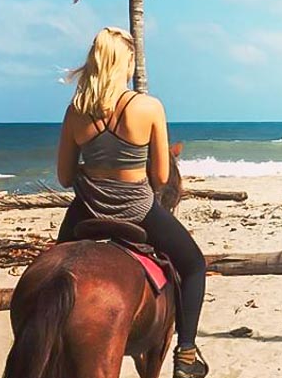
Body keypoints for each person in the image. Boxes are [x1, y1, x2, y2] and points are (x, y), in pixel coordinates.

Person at [56, 27, 209, 378]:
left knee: (54, 274)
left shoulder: (76, 111)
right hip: (138, 210)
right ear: (126, 62)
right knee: (194, 265)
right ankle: (186, 353)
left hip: (86, 209)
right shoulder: (148, 106)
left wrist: (94, 168)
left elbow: (65, 178)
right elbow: (160, 177)